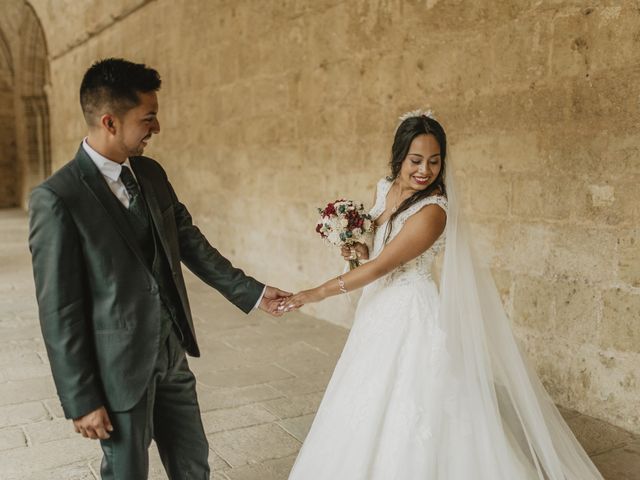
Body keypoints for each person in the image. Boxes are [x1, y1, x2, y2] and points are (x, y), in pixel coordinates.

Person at [283, 111, 604, 479]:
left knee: (419, 403)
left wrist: (315, 293)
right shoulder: (384, 188)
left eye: (434, 162)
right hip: (377, 311)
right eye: (416, 160)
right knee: (365, 397)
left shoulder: (433, 211)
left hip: (409, 312)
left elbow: (383, 266)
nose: (425, 170)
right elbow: (374, 252)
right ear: (399, 156)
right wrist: (357, 248)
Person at [28, 57, 290, 480]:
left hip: (172, 355)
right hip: (117, 371)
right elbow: (59, 310)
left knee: (193, 465)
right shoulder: (58, 198)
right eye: (148, 118)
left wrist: (253, 292)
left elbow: (190, 242)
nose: (157, 128)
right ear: (110, 122)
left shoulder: (150, 173)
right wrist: (80, 398)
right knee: (126, 473)